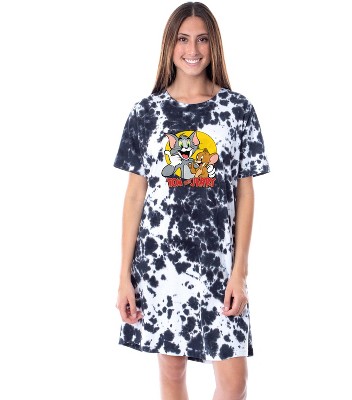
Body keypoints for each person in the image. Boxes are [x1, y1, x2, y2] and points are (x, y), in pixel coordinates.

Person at [114, 2, 270, 399]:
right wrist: (124, 277)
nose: (192, 49)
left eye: (202, 39)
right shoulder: (146, 113)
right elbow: (135, 196)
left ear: (214, 45)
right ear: (170, 45)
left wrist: (240, 272)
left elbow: (245, 192)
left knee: (234, 384)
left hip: (218, 265)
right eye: (183, 39)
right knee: (172, 373)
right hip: (160, 264)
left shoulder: (237, 110)